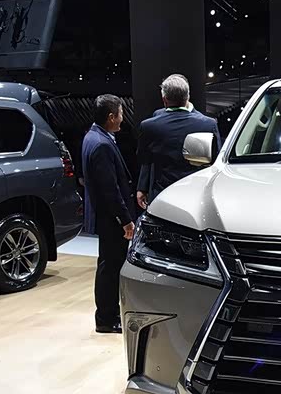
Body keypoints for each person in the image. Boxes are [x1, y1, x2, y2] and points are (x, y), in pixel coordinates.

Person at [81, 95, 136, 333]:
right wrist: (125, 220)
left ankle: (107, 315)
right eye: (121, 114)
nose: (123, 119)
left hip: (104, 216)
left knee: (107, 266)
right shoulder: (102, 144)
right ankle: (106, 318)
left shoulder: (91, 137)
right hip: (110, 218)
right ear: (111, 117)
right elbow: (110, 190)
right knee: (110, 269)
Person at [136, 74, 221, 209]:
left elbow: (144, 158)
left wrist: (142, 188)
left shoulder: (149, 126)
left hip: (162, 194)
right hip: (195, 193)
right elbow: (216, 161)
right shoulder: (208, 124)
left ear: (164, 99)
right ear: (188, 96)